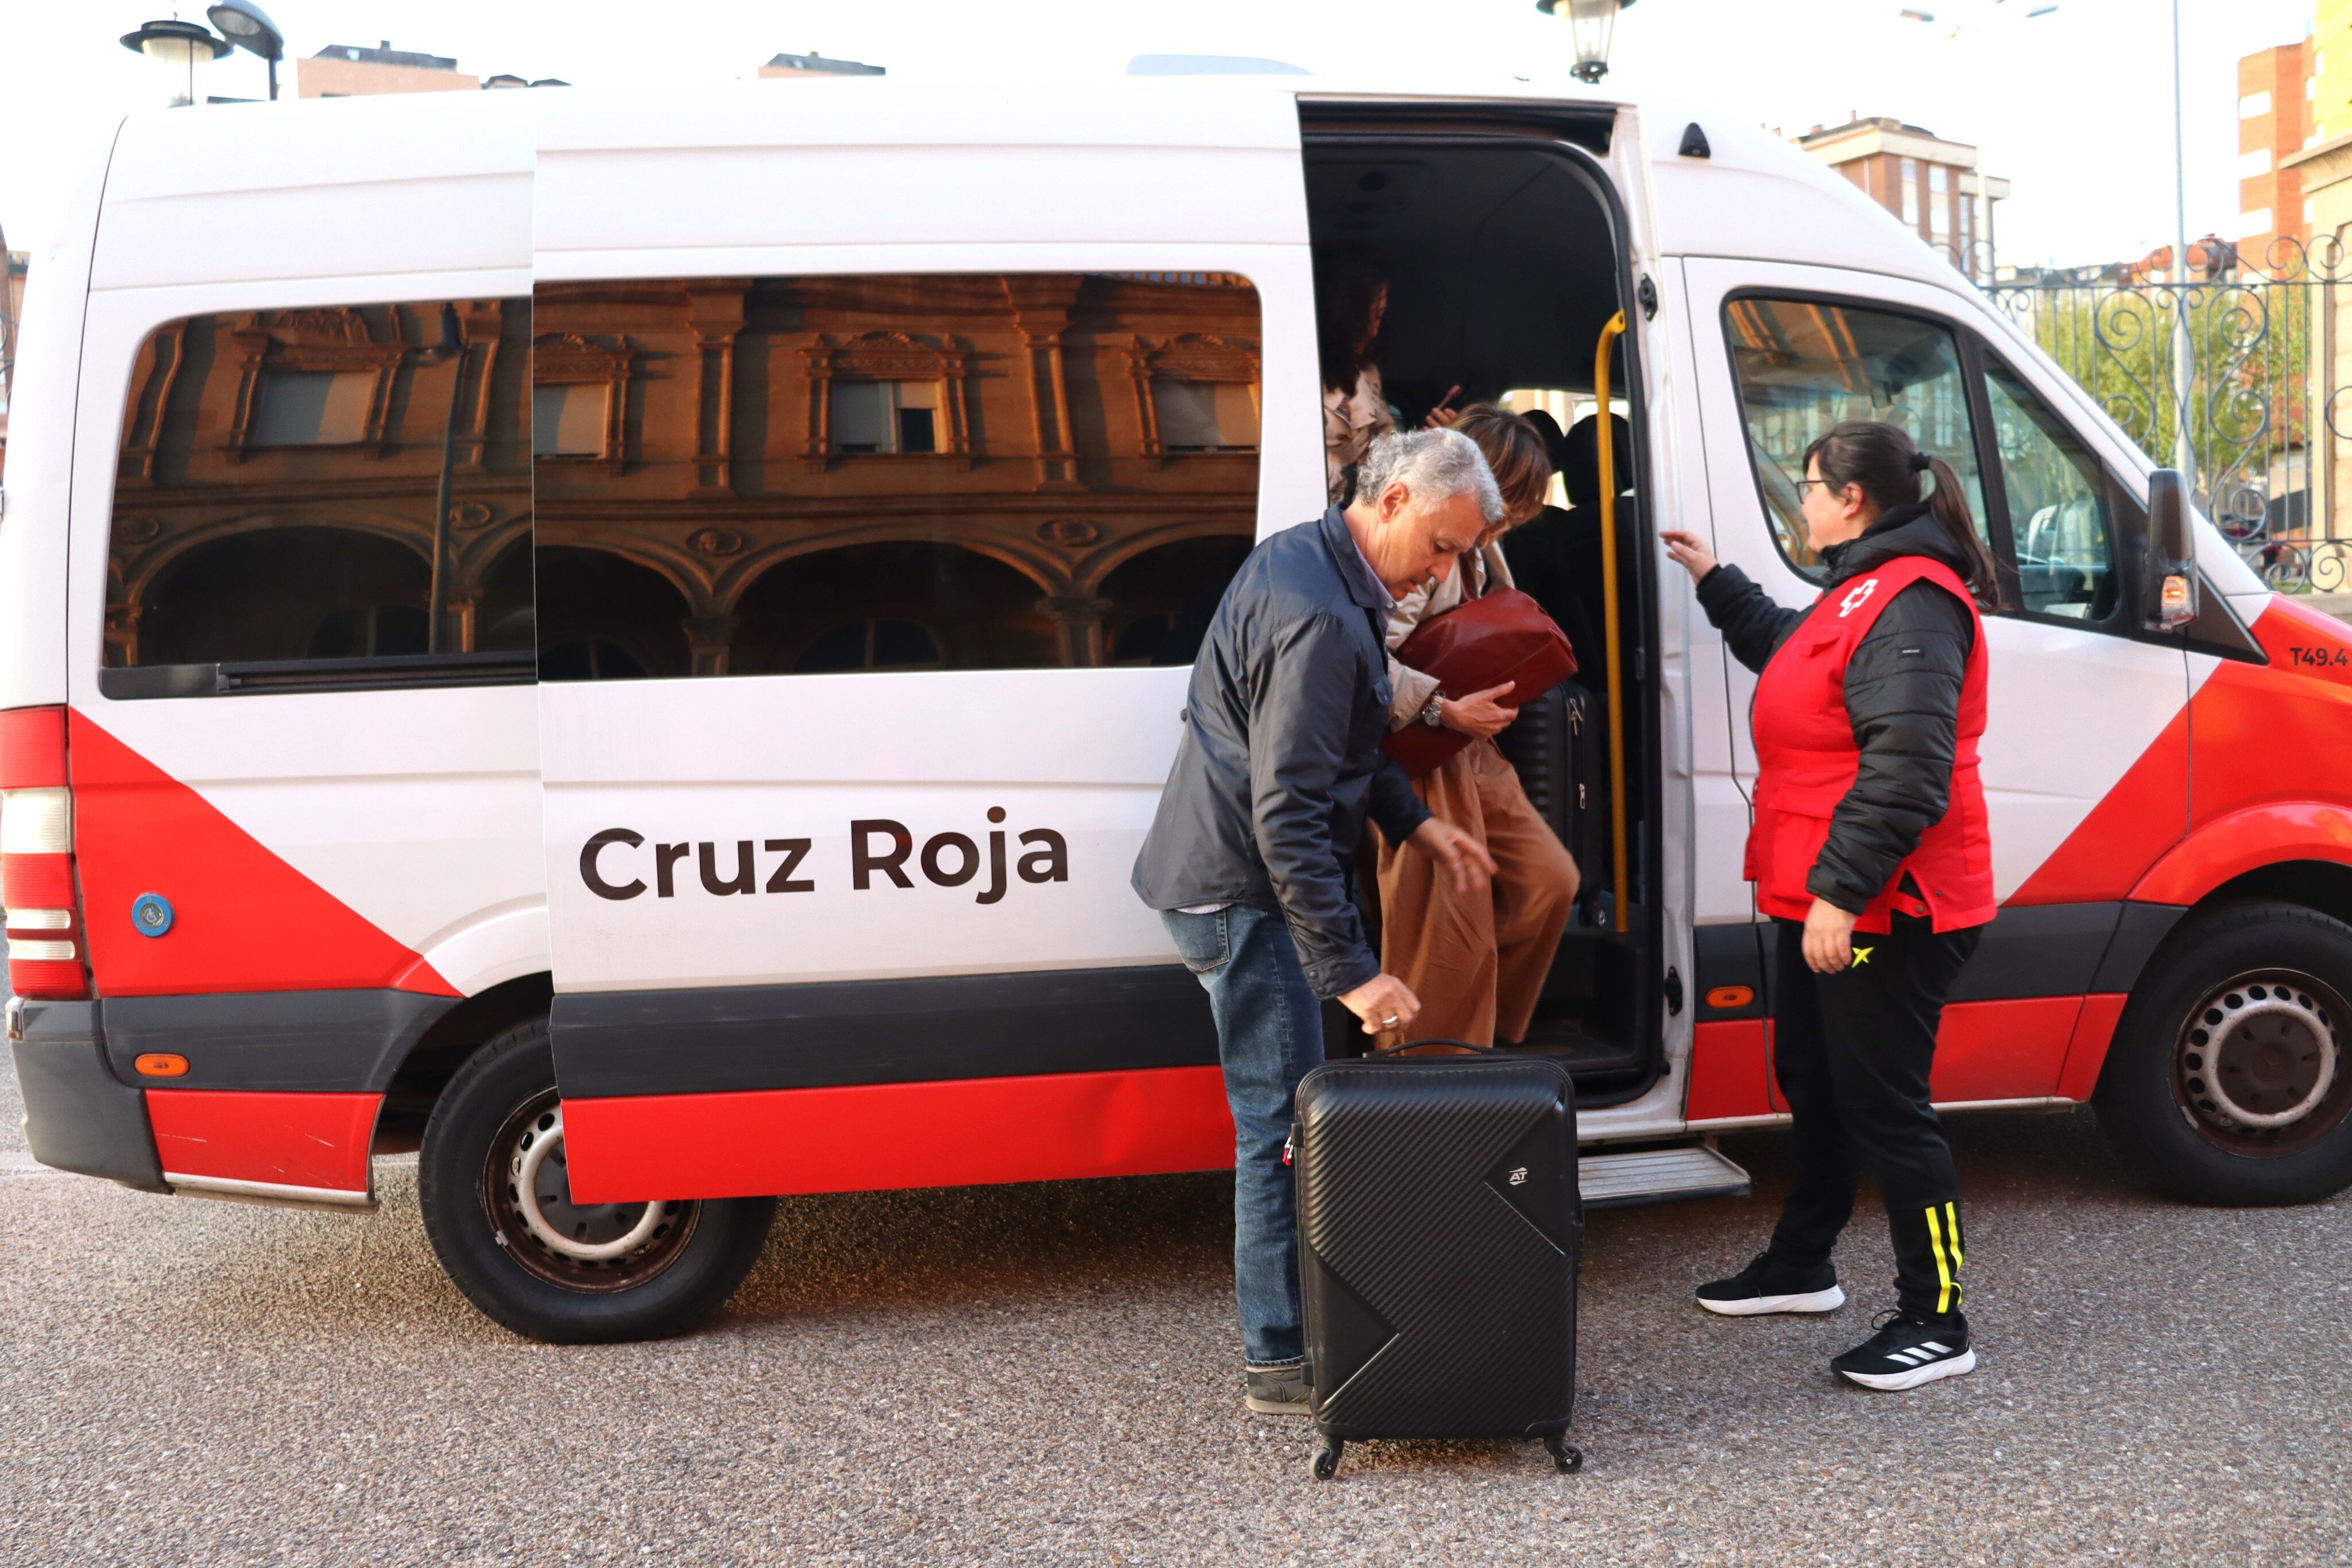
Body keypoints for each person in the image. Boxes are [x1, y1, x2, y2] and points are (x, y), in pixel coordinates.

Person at [1132, 428, 1503, 1418]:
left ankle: (1292, 1333)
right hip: (1242, 895)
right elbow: (1289, 806)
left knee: (1285, 1124)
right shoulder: (1322, 617)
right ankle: (1278, 1359)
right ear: (1390, 503)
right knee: (1282, 1131)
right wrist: (1350, 970)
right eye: (1437, 546)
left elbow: (1343, 742)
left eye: (1459, 553)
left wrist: (1418, 827)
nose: (1444, 572)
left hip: (1229, 880)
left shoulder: (1308, 562)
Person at [1659, 418, 1999, 1393]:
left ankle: (1938, 1317)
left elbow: (1907, 771)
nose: (1799, 500)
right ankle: (1803, 1264)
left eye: (1807, 485)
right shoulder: (1855, 587)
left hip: (1892, 907)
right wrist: (1715, 578)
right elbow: (1789, 653)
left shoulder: (1915, 601)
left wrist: (1839, 897)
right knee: (1814, 1076)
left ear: (1850, 497)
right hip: (1829, 896)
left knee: (1887, 1108)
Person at [1373, 404, 1581, 1050]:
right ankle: (1430, 1077)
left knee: (1550, 882)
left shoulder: (1476, 548)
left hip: (1468, 746)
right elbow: (1362, 664)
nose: (1516, 519)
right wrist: (1442, 708)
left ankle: (1490, 1040)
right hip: (1420, 753)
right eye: (1516, 502)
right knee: (1442, 931)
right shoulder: (1422, 557)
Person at [1317, 244, 1398, 504]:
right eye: (1369, 317)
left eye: (1381, 317)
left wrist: (1435, 438)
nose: (1375, 330)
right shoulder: (1301, 371)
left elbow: (1387, 450)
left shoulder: (1368, 373)